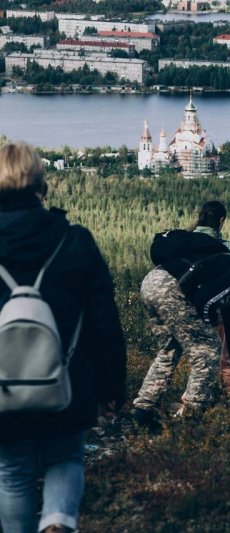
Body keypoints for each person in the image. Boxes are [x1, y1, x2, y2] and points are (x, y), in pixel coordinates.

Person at [0, 142, 127, 533]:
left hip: (2, 391)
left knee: (13, 472)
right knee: (66, 459)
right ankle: (57, 520)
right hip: (67, 384)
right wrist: (111, 387)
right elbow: (105, 320)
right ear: (43, 187)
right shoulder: (74, 240)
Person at [132, 239, 230, 424]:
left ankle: (143, 410)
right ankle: (192, 414)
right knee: (209, 348)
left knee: (169, 350)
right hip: (170, 287)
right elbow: (203, 299)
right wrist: (212, 318)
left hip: (152, 282)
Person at [191, 201, 230, 394]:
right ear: (221, 220)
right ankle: (229, 407)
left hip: (191, 312)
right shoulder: (225, 247)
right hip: (219, 312)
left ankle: (197, 401)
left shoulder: (186, 242)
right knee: (226, 361)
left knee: (198, 362)